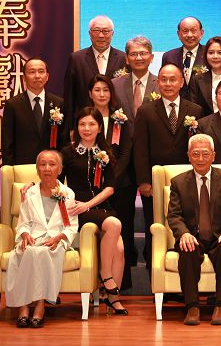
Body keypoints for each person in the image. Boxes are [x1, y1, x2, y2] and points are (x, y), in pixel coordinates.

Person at [167, 134, 221, 326]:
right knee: (187, 248)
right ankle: (192, 306)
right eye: (196, 154)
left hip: (220, 236)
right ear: (188, 155)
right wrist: (184, 233)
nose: (200, 159)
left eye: (205, 154)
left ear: (213, 155)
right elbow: (174, 216)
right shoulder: (178, 182)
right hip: (193, 236)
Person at [134, 64, 204, 272]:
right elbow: (140, 148)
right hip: (155, 181)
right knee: (154, 224)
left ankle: (185, 267)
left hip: (186, 180)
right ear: (157, 82)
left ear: (181, 82)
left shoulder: (195, 110)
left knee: (186, 222)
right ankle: (154, 270)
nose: (168, 83)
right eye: (163, 79)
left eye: (173, 79)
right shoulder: (146, 110)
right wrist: (144, 181)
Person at [61, 107, 127, 315]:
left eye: (91, 124)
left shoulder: (106, 154)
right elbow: (54, 180)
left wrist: (89, 204)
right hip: (77, 208)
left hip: (99, 206)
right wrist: (31, 185)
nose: (87, 128)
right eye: (82, 124)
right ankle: (106, 276)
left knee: (120, 249)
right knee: (114, 223)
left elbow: (110, 188)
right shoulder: (68, 153)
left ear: (100, 128)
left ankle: (112, 298)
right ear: (76, 128)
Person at [6, 150, 78, 328]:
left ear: (59, 169)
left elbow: (71, 226)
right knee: (29, 251)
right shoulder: (29, 193)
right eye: (42, 164)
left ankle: (39, 306)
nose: (47, 168)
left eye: (52, 164)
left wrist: (58, 238)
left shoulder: (67, 193)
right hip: (33, 237)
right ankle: (23, 307)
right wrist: (25, 235)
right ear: (37, 169)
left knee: (43, 253)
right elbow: (23, 223)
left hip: (55, 239)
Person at [87, 74, 136, 290]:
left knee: (122, 233)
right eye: (97, 90)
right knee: (97, 234)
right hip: (92, 186)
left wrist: (112, 178)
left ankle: (119, 284)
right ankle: (94, 281)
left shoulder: (120, 118)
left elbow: (126, 152)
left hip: (120, 185)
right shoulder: (86, 117)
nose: (102, 94)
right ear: (90, 93)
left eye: (106, 90)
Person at [63, 15, 127, 123]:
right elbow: (69, 95)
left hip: (115, 122)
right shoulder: (76, 58)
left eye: (105, 31)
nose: (101, 35)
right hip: (84, 122)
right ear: (89, 33)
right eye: (96, 31)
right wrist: (70, 127)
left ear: (112, 34)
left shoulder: (123, 58)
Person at [2, 58, 65, 165]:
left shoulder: (58, 103)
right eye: (32, 72)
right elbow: (7, 142)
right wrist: (9, 168)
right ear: (24, 77)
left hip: (51, 166)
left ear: (47, 76)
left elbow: (63, 139)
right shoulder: (12, 105)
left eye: (41, 71)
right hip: (22, 166)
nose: (37, 76)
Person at [112, 35, 158, 125]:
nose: (138, 58)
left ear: (151, 57)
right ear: (127, 59)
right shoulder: (115, 84)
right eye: (133, 54)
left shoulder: (161, 85)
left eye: (143, 53)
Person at [161, 16, 206, 96]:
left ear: (201, 33)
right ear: (178, 34)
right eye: (185, 31)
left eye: (193, 31)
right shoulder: (169, 56)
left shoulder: (209, 54)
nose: (189, 35)